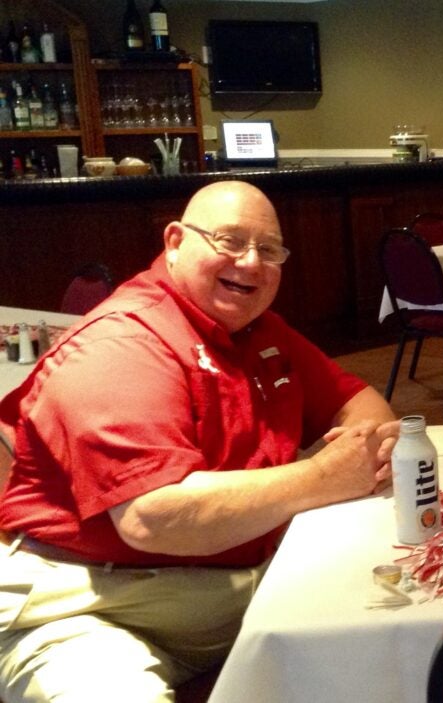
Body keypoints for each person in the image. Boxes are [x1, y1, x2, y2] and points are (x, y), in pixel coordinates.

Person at [0, 181, 398, 702]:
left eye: (270, 250)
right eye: (229, 240)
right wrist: (327, 475)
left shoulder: (259, 330)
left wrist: (355, 457)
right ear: (174, 242)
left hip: (236, 590)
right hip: (89, 605)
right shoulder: (123, 342)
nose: (252, 263)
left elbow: (368, 405)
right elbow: (153, 517)